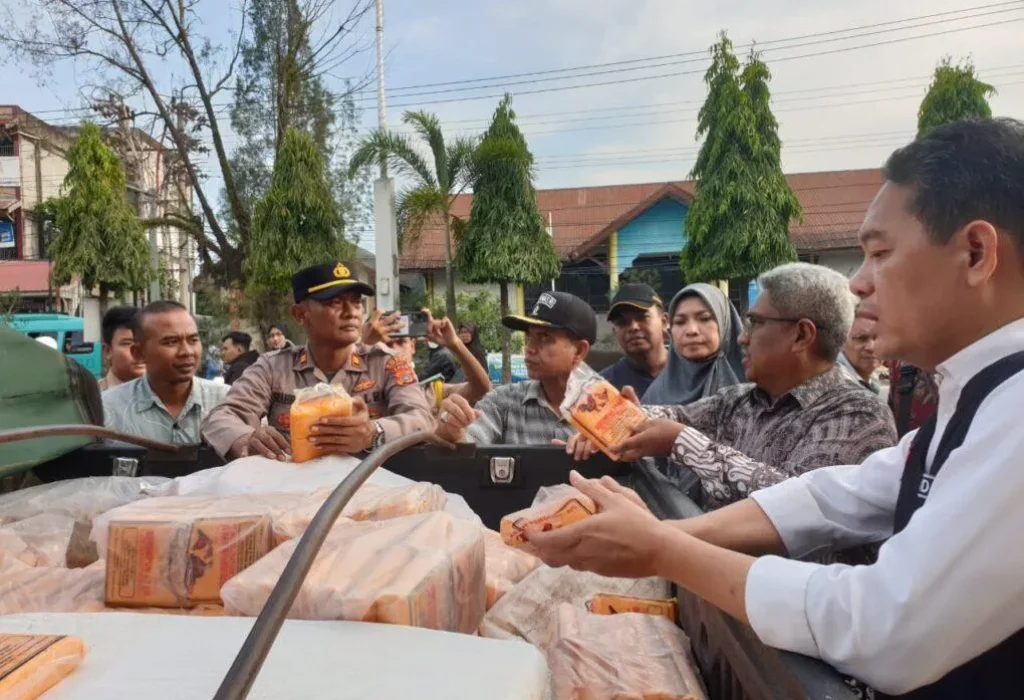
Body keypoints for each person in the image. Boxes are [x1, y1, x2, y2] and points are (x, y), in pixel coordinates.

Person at [527, 118, 1024, 698]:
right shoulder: (976, 397)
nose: (859, 284)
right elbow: (837, 496)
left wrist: (666, 547)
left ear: (976, 253)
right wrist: (670, 528)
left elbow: (887, 627)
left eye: (879, 253)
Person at [565, 263, 896, 510]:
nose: (741, 337)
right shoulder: (740, 401)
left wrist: (683, 442)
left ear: (801, 335)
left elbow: (799, 502)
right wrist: (610, 421)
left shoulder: (859, 414)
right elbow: (670, 414)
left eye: (755, 323)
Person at [202, 262, 435, 460]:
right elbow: (220, 418)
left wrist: (373, 432)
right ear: (300, 315)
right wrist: (247, 440)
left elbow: (421, 418)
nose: (351, 312)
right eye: (334, 302)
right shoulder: (274, 367)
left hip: (368, 492)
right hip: (294, 494)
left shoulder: (386, 364)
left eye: (356, 302)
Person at [435, 291, 596, 445]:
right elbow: (470, 439)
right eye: (530, 337)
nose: (529, 348)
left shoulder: (608, 409)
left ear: (580, 351)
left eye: (545, 338)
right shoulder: (504, 401)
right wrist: (453, 431)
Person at [102, 301, 229, 444]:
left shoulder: (229, 402)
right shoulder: (106, 409)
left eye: (193, 340)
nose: (187, 352)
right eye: (171, 342)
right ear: (139, 353)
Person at [641, 283, 745, 406]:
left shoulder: (759, 383)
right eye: (680, 322)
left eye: (704, 318)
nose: (691, 330)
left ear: (725, 323)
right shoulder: (656, 395)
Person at [379, 312, 493, 413]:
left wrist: (456, 344)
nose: (394, 352)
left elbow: (481, 390)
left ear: (412, 347)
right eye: (386, 345)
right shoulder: (364, 393)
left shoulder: (431, 391)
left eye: (400, 342)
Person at [599, 284, 669, 398]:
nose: (633, 327)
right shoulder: (605, 388)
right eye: (622, 323)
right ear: (614, 331)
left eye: (642, 317)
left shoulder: (692, 370)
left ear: (664, 322)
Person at [97, 305, 145, 391]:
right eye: (127, 343)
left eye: (144, 342)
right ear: (107, 351)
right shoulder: (88, 399)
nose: (140, 351)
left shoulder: (168, 396)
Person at [838, 307, 882, 394]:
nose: (871, 347)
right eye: (861, 338)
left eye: (878, 338)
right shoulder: (837, 384)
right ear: (842, 341)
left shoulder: (870, 381)